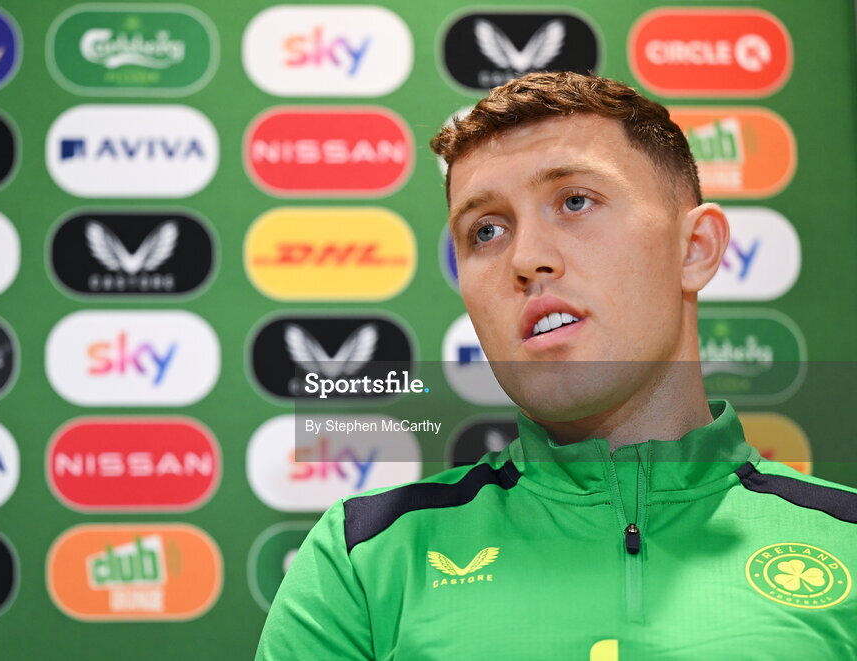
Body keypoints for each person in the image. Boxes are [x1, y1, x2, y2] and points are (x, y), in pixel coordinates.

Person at [255, 72, 857, 659]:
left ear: (694, 249)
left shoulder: (848, 542)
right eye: (485, 230)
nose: (527, 258)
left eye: (574, 201)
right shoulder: (366, 557)